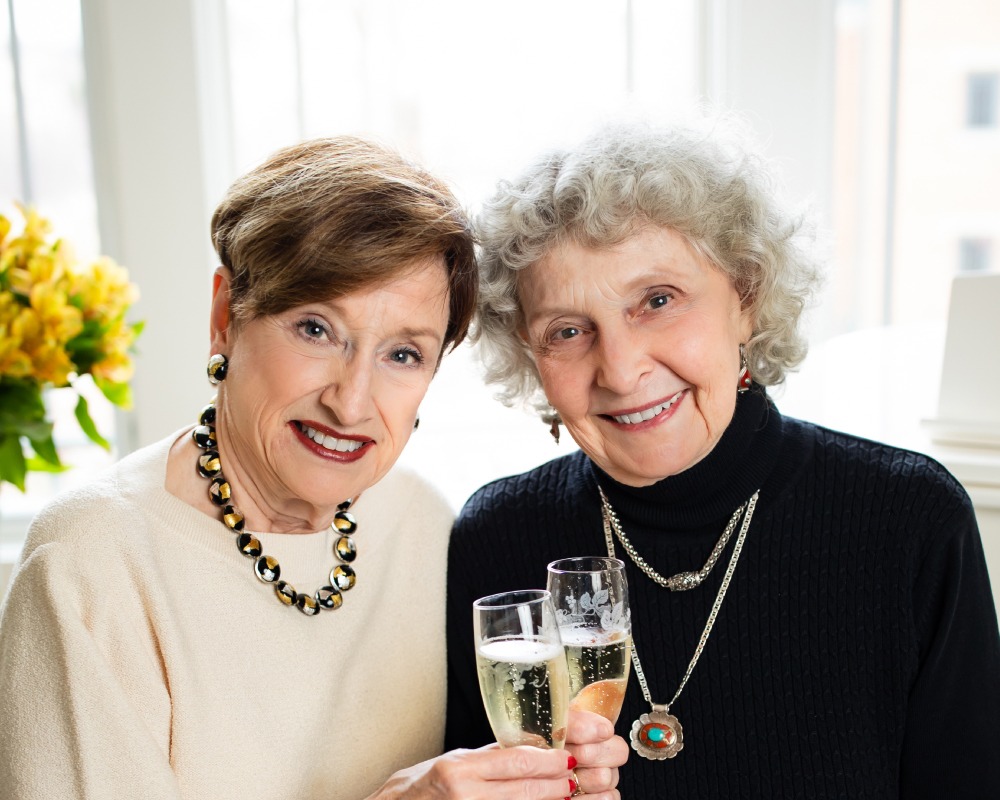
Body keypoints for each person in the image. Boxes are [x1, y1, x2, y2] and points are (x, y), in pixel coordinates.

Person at [0, 136, 626, 799]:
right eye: (316, 329)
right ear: (225, 317)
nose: (351, 403)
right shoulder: (90, 562)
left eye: (403, 354)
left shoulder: (420, 522)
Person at [445, 118, 1000, 798]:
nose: (620, 369)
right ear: (531, 357)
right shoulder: (496, 538)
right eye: (567, 330)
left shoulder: (908, 521)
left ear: (747, 297)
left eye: (657, 301)